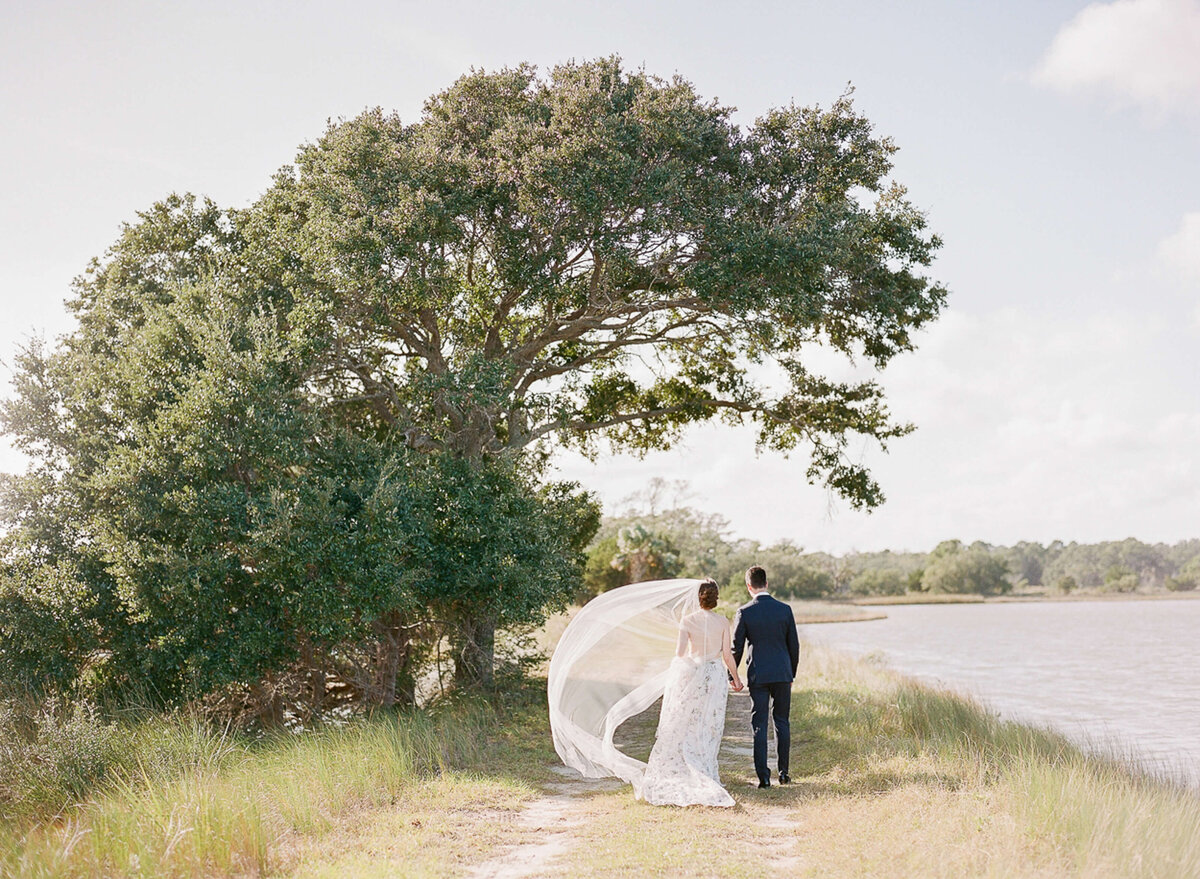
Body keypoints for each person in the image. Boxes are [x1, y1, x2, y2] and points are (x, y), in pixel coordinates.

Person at [639, 579, 744, 807]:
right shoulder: (723, 622)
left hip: (694, 673)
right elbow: (727, 655)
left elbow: (680, 655)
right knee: (709, 724)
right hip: (715, 676)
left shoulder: (687, 621)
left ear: (697, 597)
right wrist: (736, 678)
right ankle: (705, 770)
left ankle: (692, 769)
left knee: (689, 722)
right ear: (715, 597)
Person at [732, 565, 800, 788]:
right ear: (767, 584)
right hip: (782, 673)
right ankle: (784, 773)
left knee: (759, 724)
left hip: (758, 675)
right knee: (782, 722)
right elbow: (794, 646)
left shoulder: (745, 612)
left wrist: (731, 675)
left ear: (748, 587)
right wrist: (791, 673)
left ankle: (763, 778)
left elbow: (736, 648)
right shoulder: (785, 609)